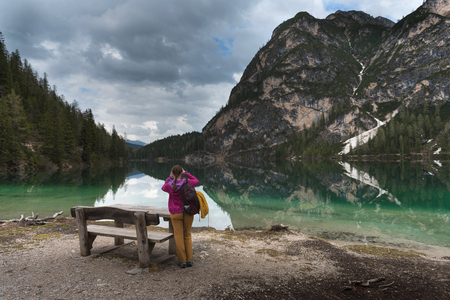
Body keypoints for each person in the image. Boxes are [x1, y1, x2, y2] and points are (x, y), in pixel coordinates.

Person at [161, 165, 199, 268]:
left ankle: (182, 261)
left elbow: (163, 187)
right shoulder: (187, 182)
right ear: (181, 172)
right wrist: (186, 173)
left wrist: (170, 177)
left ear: (172, 173)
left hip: (175, 214)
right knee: (187, 235)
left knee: (178, 236)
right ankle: (190, 260)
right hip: (187, 212)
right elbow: (196, 180)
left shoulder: (169, 185)